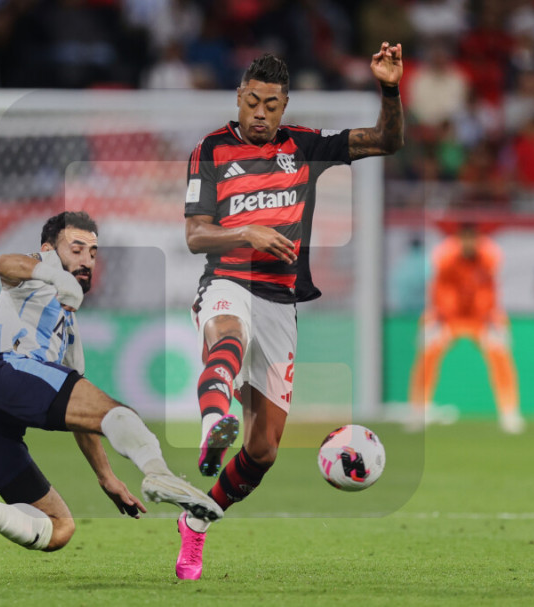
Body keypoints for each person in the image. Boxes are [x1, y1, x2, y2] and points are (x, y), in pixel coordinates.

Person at [180, 43, 404, 579]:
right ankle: (214, 423)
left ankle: (196, 521)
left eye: (271, 105)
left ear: (284, 106)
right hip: (227, 280)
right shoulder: (210, 149)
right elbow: (195, 235)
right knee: (228, 336)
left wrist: (390, 89)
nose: (260, 113)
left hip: (281, 302)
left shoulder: (304, 146)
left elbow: (387, 141)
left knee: (263, 451)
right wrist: (247, 232)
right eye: (252, 101)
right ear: (239, 96)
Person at [0, 211, 222, 553]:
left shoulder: (68, 331)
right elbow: (3, 264)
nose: (87, 260)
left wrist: (106, 476)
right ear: (49, 250)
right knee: (121, 413)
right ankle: (159, 474)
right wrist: (55, 276)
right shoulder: (33, 276)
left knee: (59, 529)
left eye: (92, 253)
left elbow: (82, 414)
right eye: (76, 249)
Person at [407, 223, 525, 434]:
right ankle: (418, 411)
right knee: (427, 353)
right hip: (449, 317)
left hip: (480, 318)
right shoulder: (445, 255)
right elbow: (440, 289)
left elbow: (491, 290)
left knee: (500, 354)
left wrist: (490, 318)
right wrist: (440, 318)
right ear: (459, 240)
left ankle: (509, 412)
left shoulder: (490, 255)